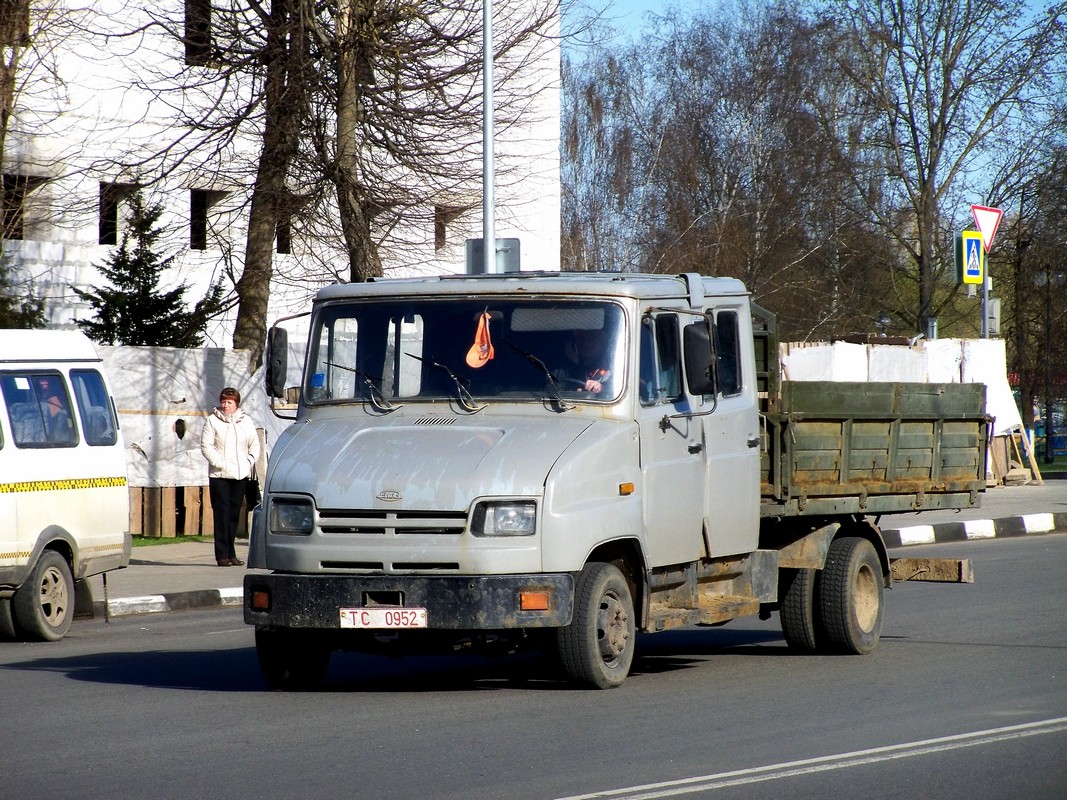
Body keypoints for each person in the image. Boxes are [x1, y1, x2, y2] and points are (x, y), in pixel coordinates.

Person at [200, 387, 261, 567]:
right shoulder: (212, 421)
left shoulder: (246, 421)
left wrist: (248, 462)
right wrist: (221, 463)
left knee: (234, 515)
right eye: (223, 402)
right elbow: (206, 446)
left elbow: (254, 445)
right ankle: (221, 555)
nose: (225, 405)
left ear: (236, 404)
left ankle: (231, 553)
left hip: (240, 475)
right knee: (222, 514)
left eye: (229, 402)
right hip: (220, 476)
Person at [555, 327, 614, 396]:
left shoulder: (613, 366)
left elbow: (615, 388)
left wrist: (602, 388)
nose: (586, 343)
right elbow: (548, 388)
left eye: (591, 338)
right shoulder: (561, 369)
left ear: (601, 341)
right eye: (581, 338)